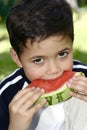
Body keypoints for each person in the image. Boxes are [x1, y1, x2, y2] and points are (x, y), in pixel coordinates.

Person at [0, 0, 87, 130]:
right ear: (17, 58)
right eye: (38, 60)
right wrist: (16, 126)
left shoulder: (83, 76)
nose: (54, 70)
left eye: (62, 54)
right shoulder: (7, 94)